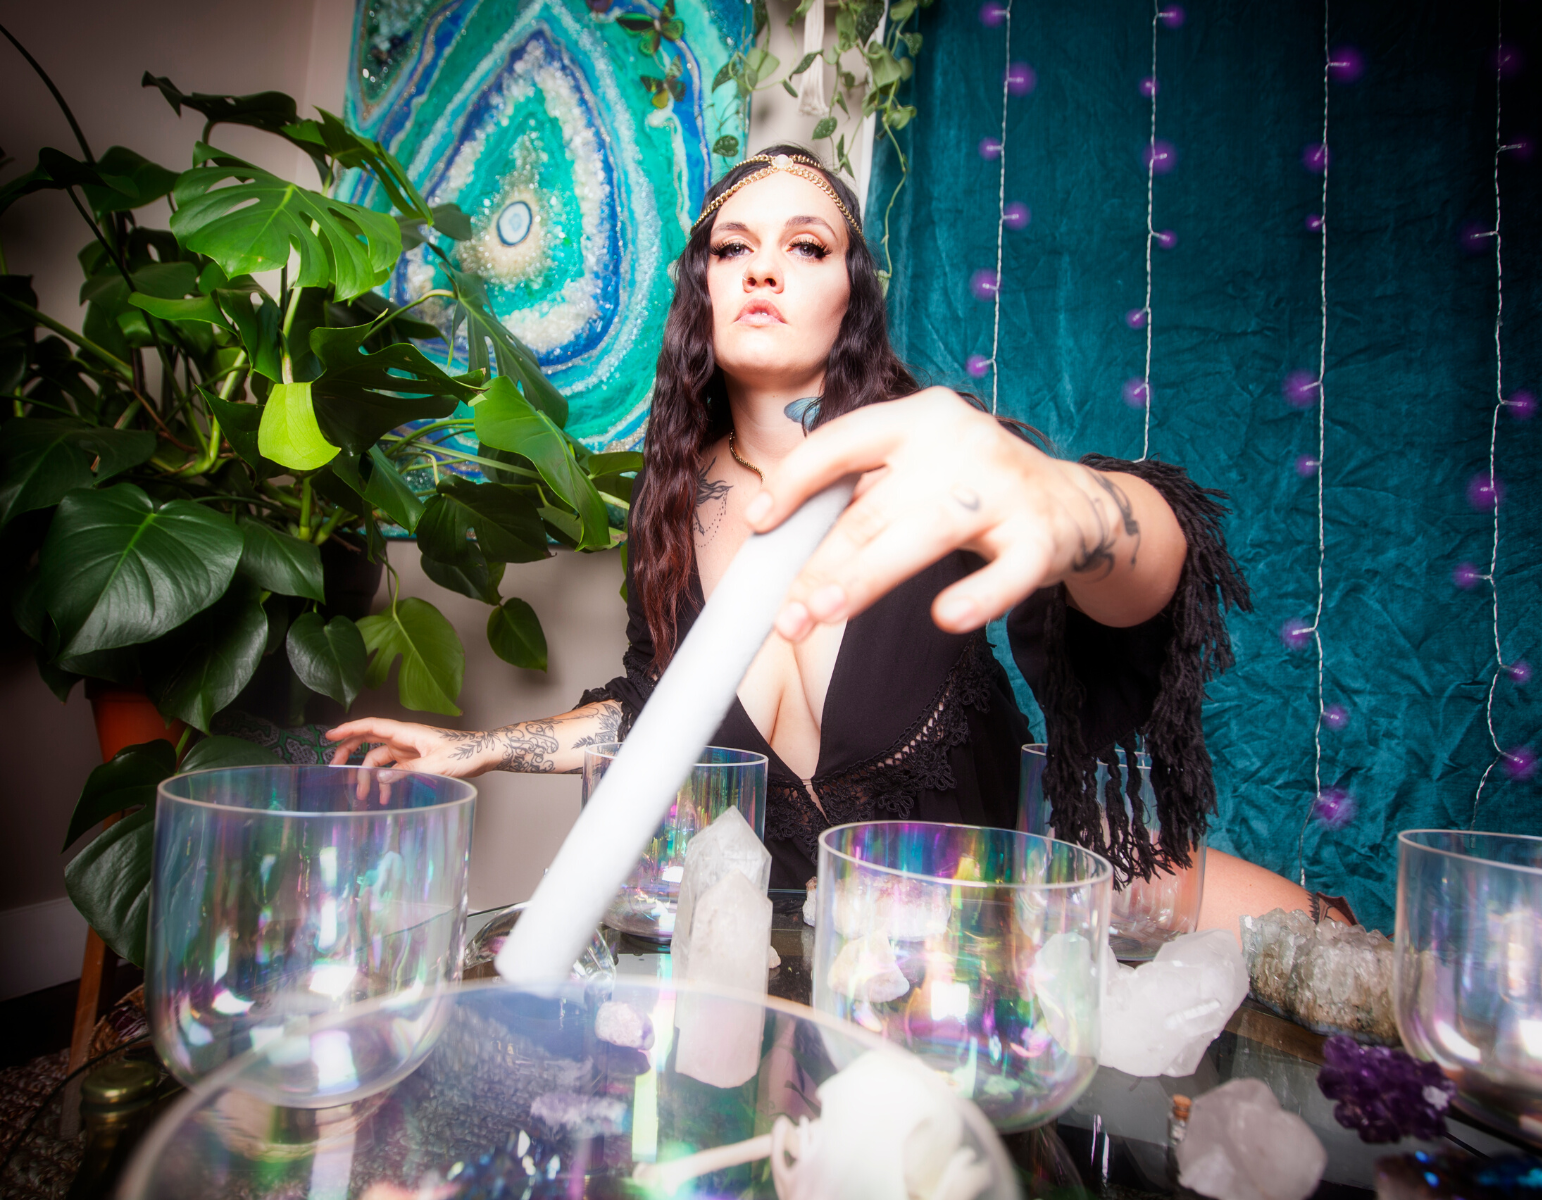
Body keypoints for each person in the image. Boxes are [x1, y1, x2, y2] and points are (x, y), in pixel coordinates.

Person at [328, 147, 1350, 930]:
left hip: (1001, 910)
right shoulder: (670, 503)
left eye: (805, 247)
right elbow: (653, 710)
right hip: (804, 959)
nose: (763, 271)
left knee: (1347, 960)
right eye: (734, 248)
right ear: (703, 287)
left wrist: (1079, 506)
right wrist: (480, 748)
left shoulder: (935, 453)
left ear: (851, 290)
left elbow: (1135, 589)